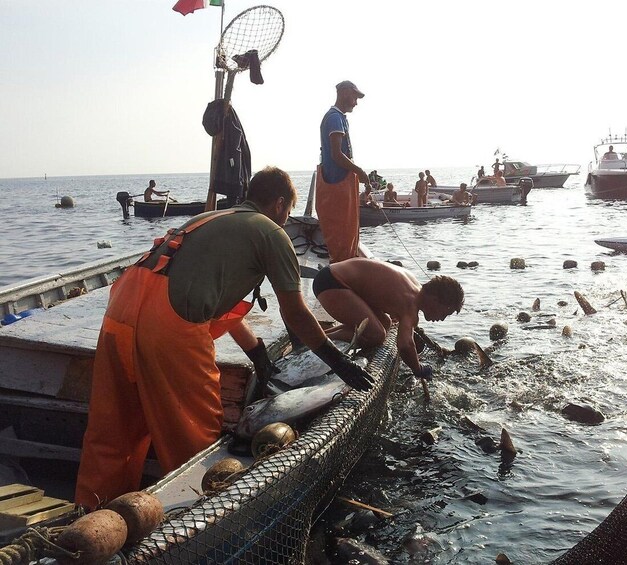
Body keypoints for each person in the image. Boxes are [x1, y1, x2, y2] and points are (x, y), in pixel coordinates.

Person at [75, 166, 374, 507]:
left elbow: (212, 300)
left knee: (113, 428)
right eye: (288, 212)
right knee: (194, 428)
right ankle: (195, 517)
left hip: (119, 311)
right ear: (280, 204)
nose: (286, 218)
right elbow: (295, 312)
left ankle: (90, 510)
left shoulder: (209, 219)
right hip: (170, 326)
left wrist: (258, 353)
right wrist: (338, 362)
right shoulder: (271, 233)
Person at [312, 258, 464, 383]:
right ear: (436, 300)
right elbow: (405, 345)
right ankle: (313, 339)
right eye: (446, 312)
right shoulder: (411, 305)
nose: (442, 318)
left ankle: (320, 334)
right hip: (331, 284)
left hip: (331, 275)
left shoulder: (414, 284)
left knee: (385, 323)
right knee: (376, 335)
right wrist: (418, 369)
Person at [317, 80, 370, 262]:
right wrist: (360, 171)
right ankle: (342, 270)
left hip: (340, 183)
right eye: (355, 97)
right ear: (345, 93)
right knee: (342, 232)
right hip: (337, 185)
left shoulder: (339, 118)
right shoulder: (334, 117)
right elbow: (336, 154)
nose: (356, 102)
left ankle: (344, 264)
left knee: (347, 231)